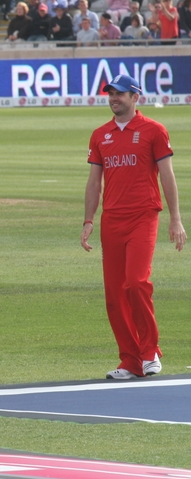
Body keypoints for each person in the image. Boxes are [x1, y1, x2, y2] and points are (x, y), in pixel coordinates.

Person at [81, 74, 186, 380]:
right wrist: (88, 219)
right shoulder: (101, 135)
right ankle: (130, 360)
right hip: (111, 219)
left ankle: (149, 351)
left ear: (135, 97)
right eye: (110, 93)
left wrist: (175, 218)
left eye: (120, 93)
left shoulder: (153, 130)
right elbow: (94, 181)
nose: (114, 98)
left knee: (137, 283)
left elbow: (167, 174)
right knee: (114, 295)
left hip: (143, 216)